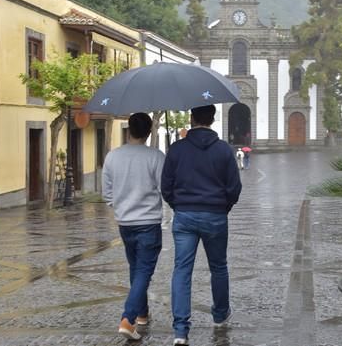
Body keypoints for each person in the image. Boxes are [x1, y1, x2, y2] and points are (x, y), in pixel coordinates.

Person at [161, 105, 242, 346]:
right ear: (213, 119)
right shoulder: (224, 150)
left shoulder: (176, 150)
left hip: (185, 216)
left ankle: (180, 330)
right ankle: (219, 315)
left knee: (182, 270)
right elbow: (234, 188)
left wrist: (179, 205)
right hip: (215, 216)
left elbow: (166, 186)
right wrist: (223, 207)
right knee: (218, 267)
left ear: (191, 118)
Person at [101, 112, 165, 340]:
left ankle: (142, 314)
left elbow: (106, 194)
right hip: (148, 222)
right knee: (144, 271)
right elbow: (164, 188)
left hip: (125, 223)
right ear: (149, 132)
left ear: (129, 130)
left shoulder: (112, 157)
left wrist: (120, 206)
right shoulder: (156, 157)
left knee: (136, 269)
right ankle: (128, 318)